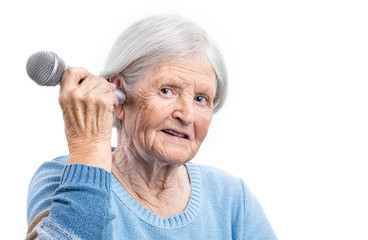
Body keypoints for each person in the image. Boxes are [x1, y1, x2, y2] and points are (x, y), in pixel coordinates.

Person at [26, 14, 277, 239]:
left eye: (201, 99)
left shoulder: (232, 199)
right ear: (119, 96)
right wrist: (89, 147)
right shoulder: (62, 177)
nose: (187, 115)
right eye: (167, 91)